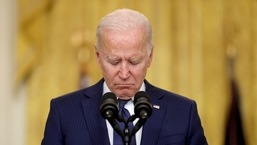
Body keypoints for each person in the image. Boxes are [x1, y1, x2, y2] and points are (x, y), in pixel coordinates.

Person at [41, 8, 208, 145]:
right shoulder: (64, 112)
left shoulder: (183, 113)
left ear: (150, 57)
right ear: (98, 56)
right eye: (114, 61)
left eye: (134, 61)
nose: (124, 73)